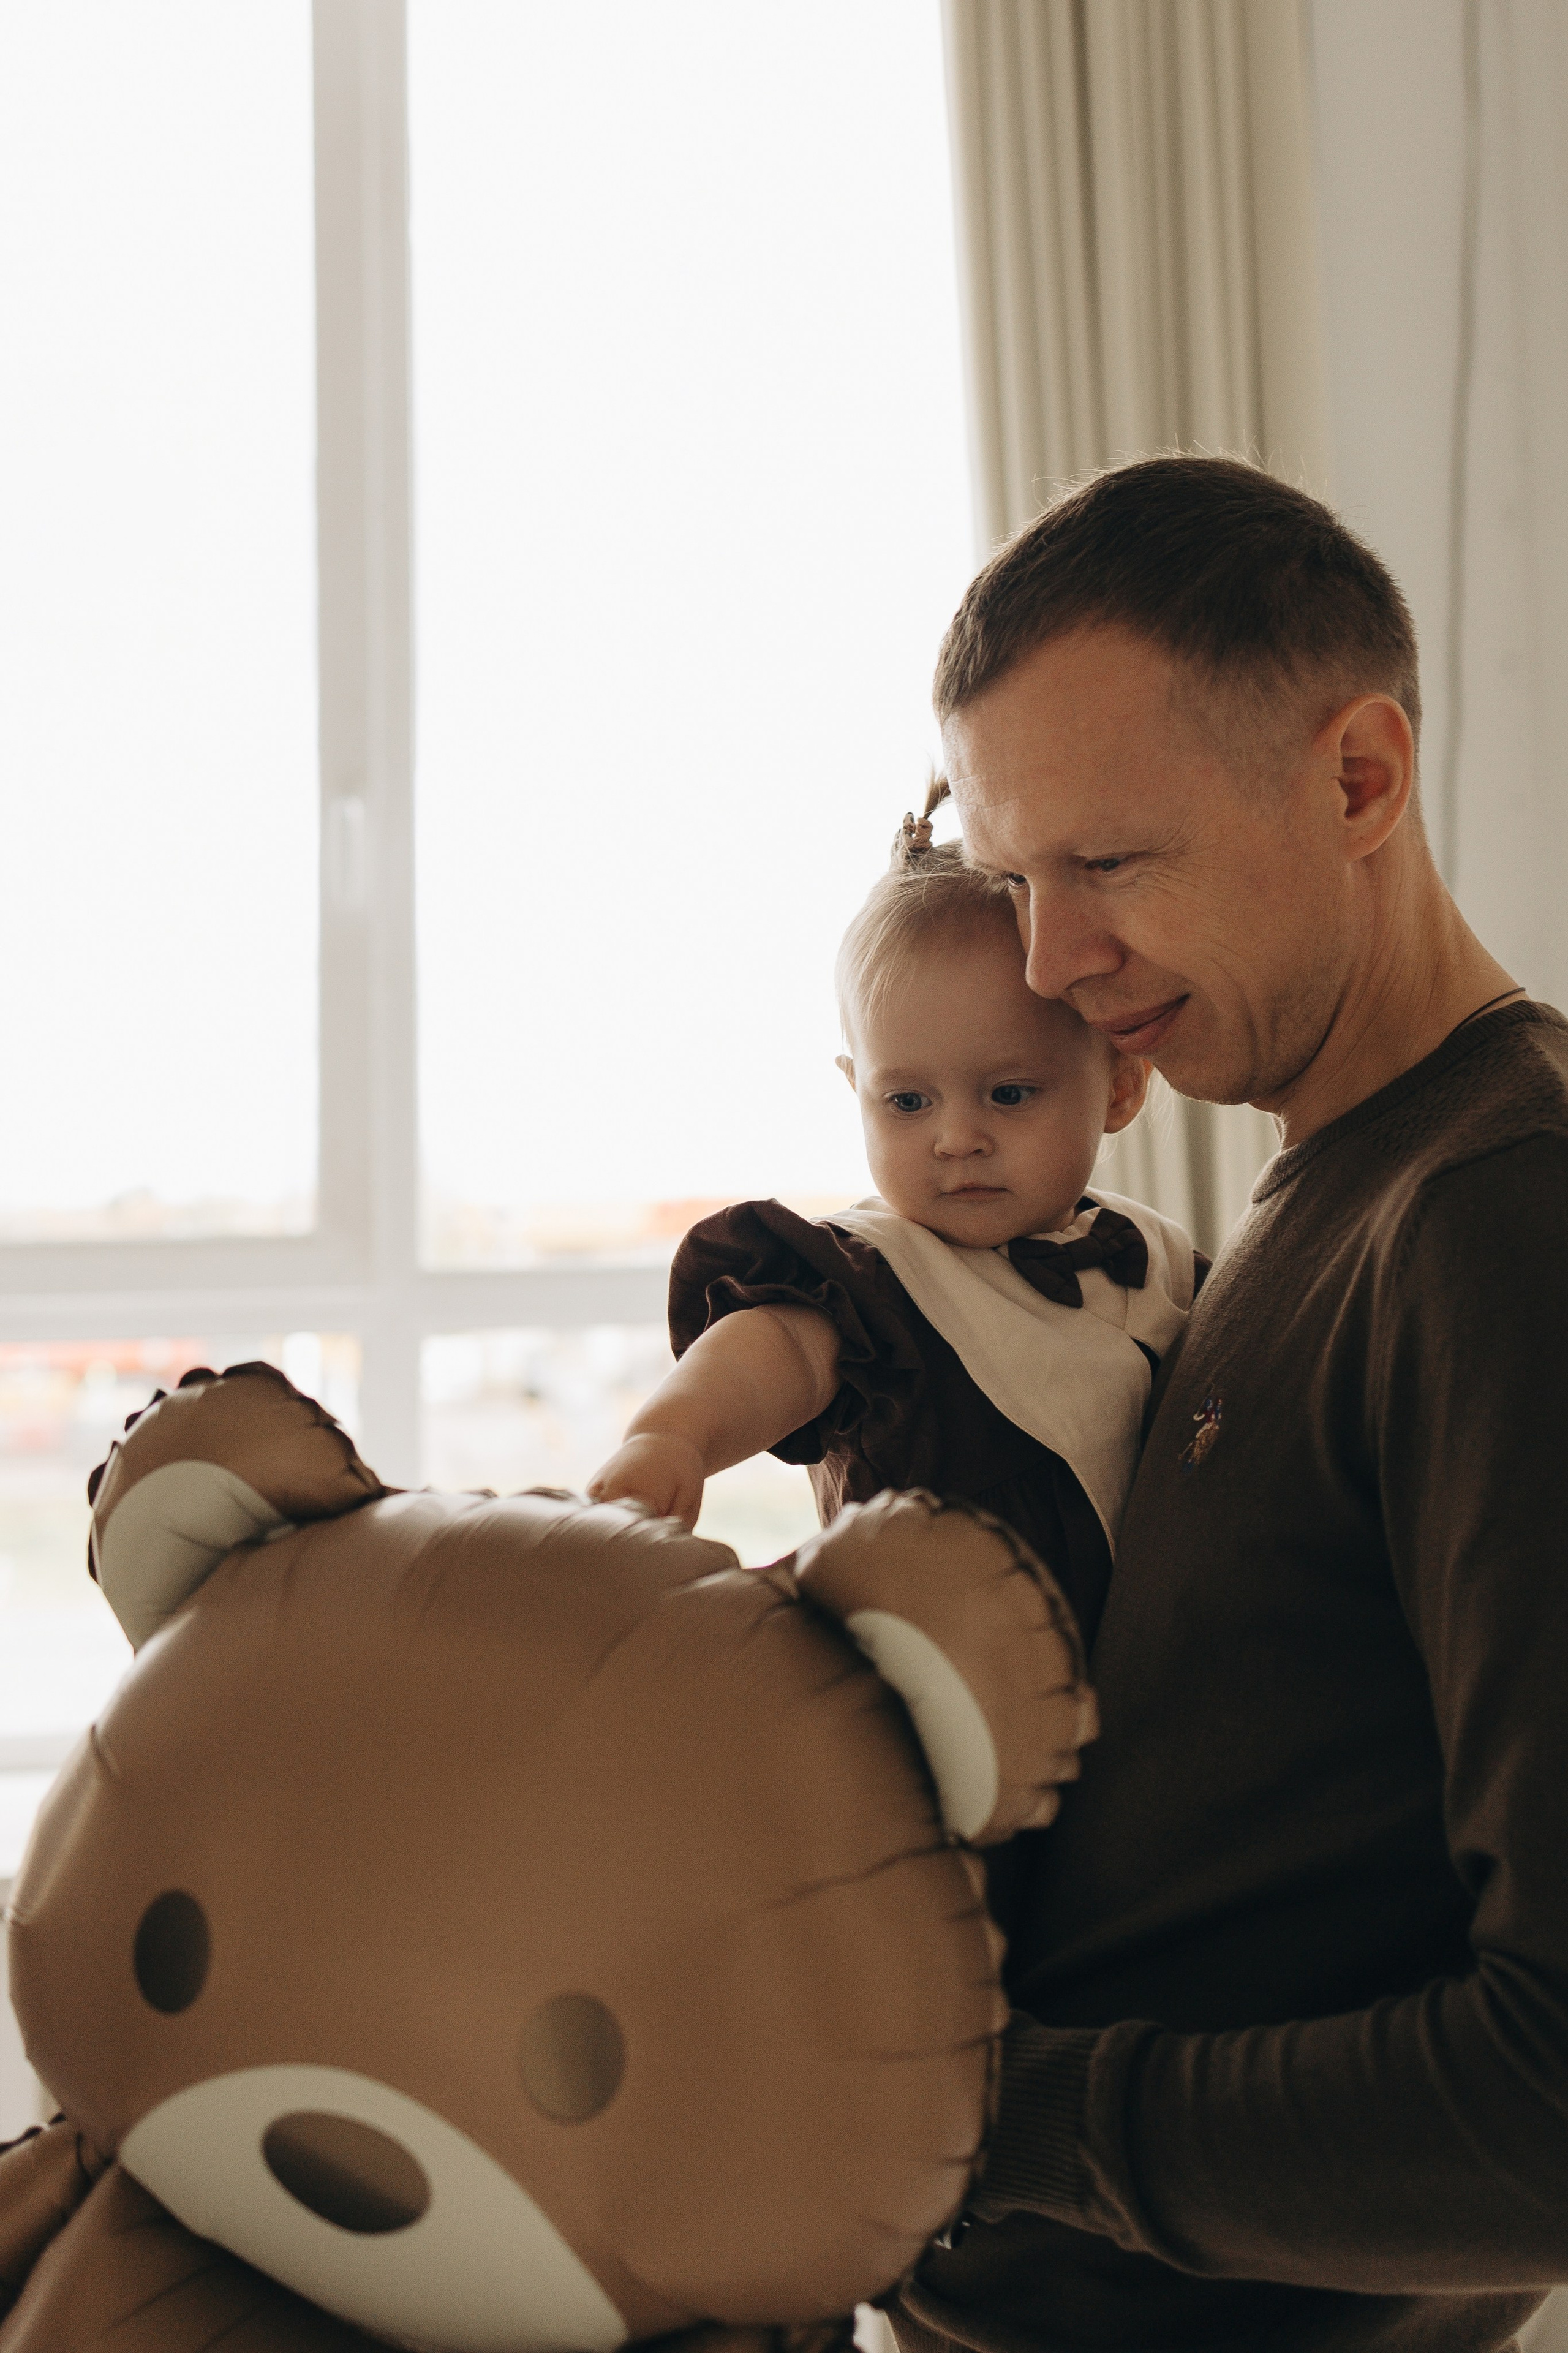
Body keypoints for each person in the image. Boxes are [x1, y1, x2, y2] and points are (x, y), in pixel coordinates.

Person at [893, 453, 1568, 2353]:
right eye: (1013, 878)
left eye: (1106, 864)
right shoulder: (1290, 1210)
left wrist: (964, 2112)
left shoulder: (1506, 1221)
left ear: (1358, 779)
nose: (1046, 964)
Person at [587, 806, 1201, 1662]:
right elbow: (776, 1352)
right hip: (918, 1690)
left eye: (1010, 1093)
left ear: (1121, 1086)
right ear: (858, 1090)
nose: (956, 1139)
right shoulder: (871, 1273)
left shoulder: (1163, 1262)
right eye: (907, 1102)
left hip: (1130, 1701)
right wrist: (674, 1434)